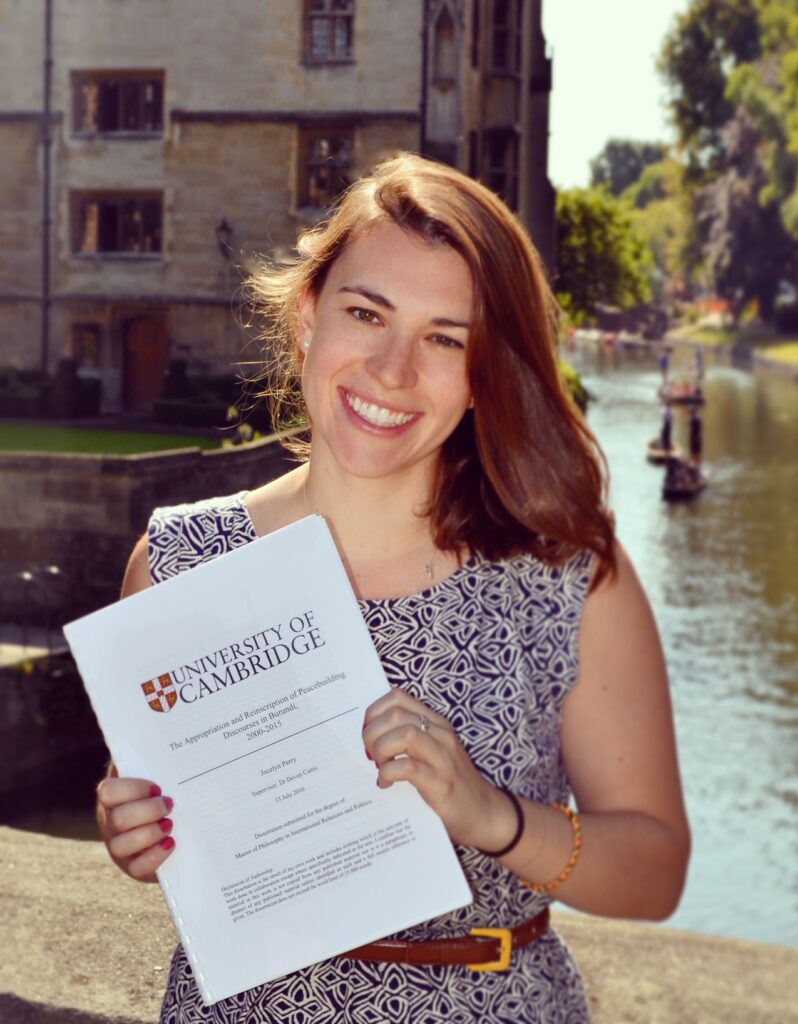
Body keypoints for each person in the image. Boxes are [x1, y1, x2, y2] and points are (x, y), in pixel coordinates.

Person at [96, 154, 690, 1023]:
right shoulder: (179, 563)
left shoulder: (566, 584)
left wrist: (494, 818)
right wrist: (134, 832)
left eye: (446, 338)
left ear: (486, 373)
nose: (392, 367)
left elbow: (655, 870)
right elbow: (161, 824)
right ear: (307, 317)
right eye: (365, 313)